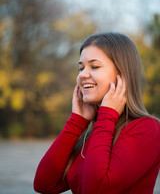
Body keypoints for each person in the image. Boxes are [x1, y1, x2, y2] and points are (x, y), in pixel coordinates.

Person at [34, 33, 160, 194]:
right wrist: (76, 122)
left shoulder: (147, 129)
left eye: (94, 66)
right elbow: (44, 184)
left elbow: (95, 190)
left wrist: (107, 115)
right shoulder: (96, 131)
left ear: (122, 74)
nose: (82, 75)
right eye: (81, 68)